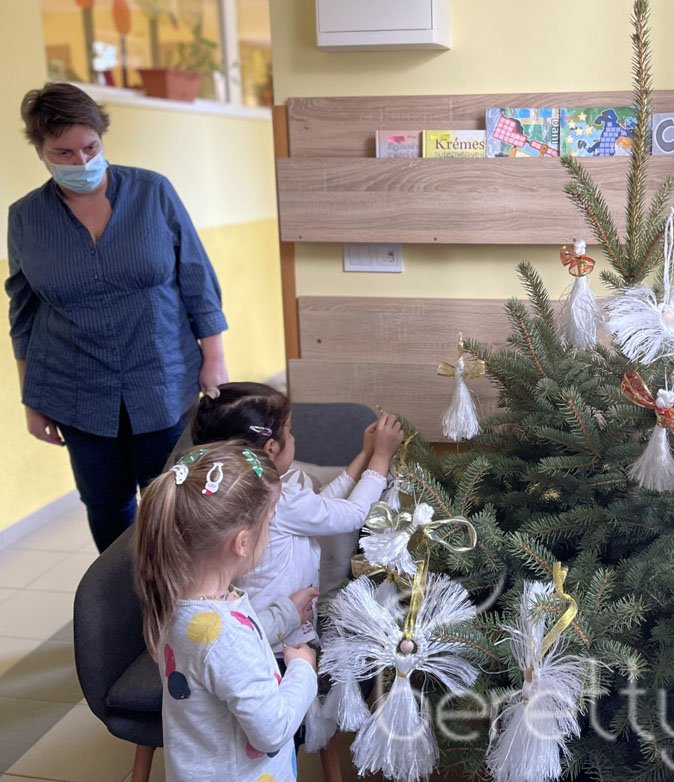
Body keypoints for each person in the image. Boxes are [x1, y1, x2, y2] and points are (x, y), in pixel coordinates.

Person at [6, 82, 228, 552]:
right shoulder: (25, 217)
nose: (82, 162)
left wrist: (215, 359)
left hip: (164, 379)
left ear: (103, 138)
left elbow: (197, 278)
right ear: (40, 152)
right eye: (63, 152)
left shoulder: (152, 193)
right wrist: (32, 398)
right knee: (106, 507)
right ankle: (122, 609)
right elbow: (23, 313)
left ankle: (182, 607)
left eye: (90, 147)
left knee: (174, 502)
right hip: (77, 389)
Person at [134, 442, 318, 782]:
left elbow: (224, 643)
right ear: (243, 543)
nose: (272, 525)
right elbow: (272, 731)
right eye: (271, 518)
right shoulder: (223, 636)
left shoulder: (180, 600)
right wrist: (303, 672)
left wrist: (286, 615)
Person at [189, 382, 404, 653]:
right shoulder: (277, 499)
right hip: (282, 643)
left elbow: (320, 506)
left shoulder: (229, 494)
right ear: (270, 449)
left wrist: (365, 456)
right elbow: (352, 515)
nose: (293, 438)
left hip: (247, 633)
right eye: (289, 430)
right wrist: (382, 457)